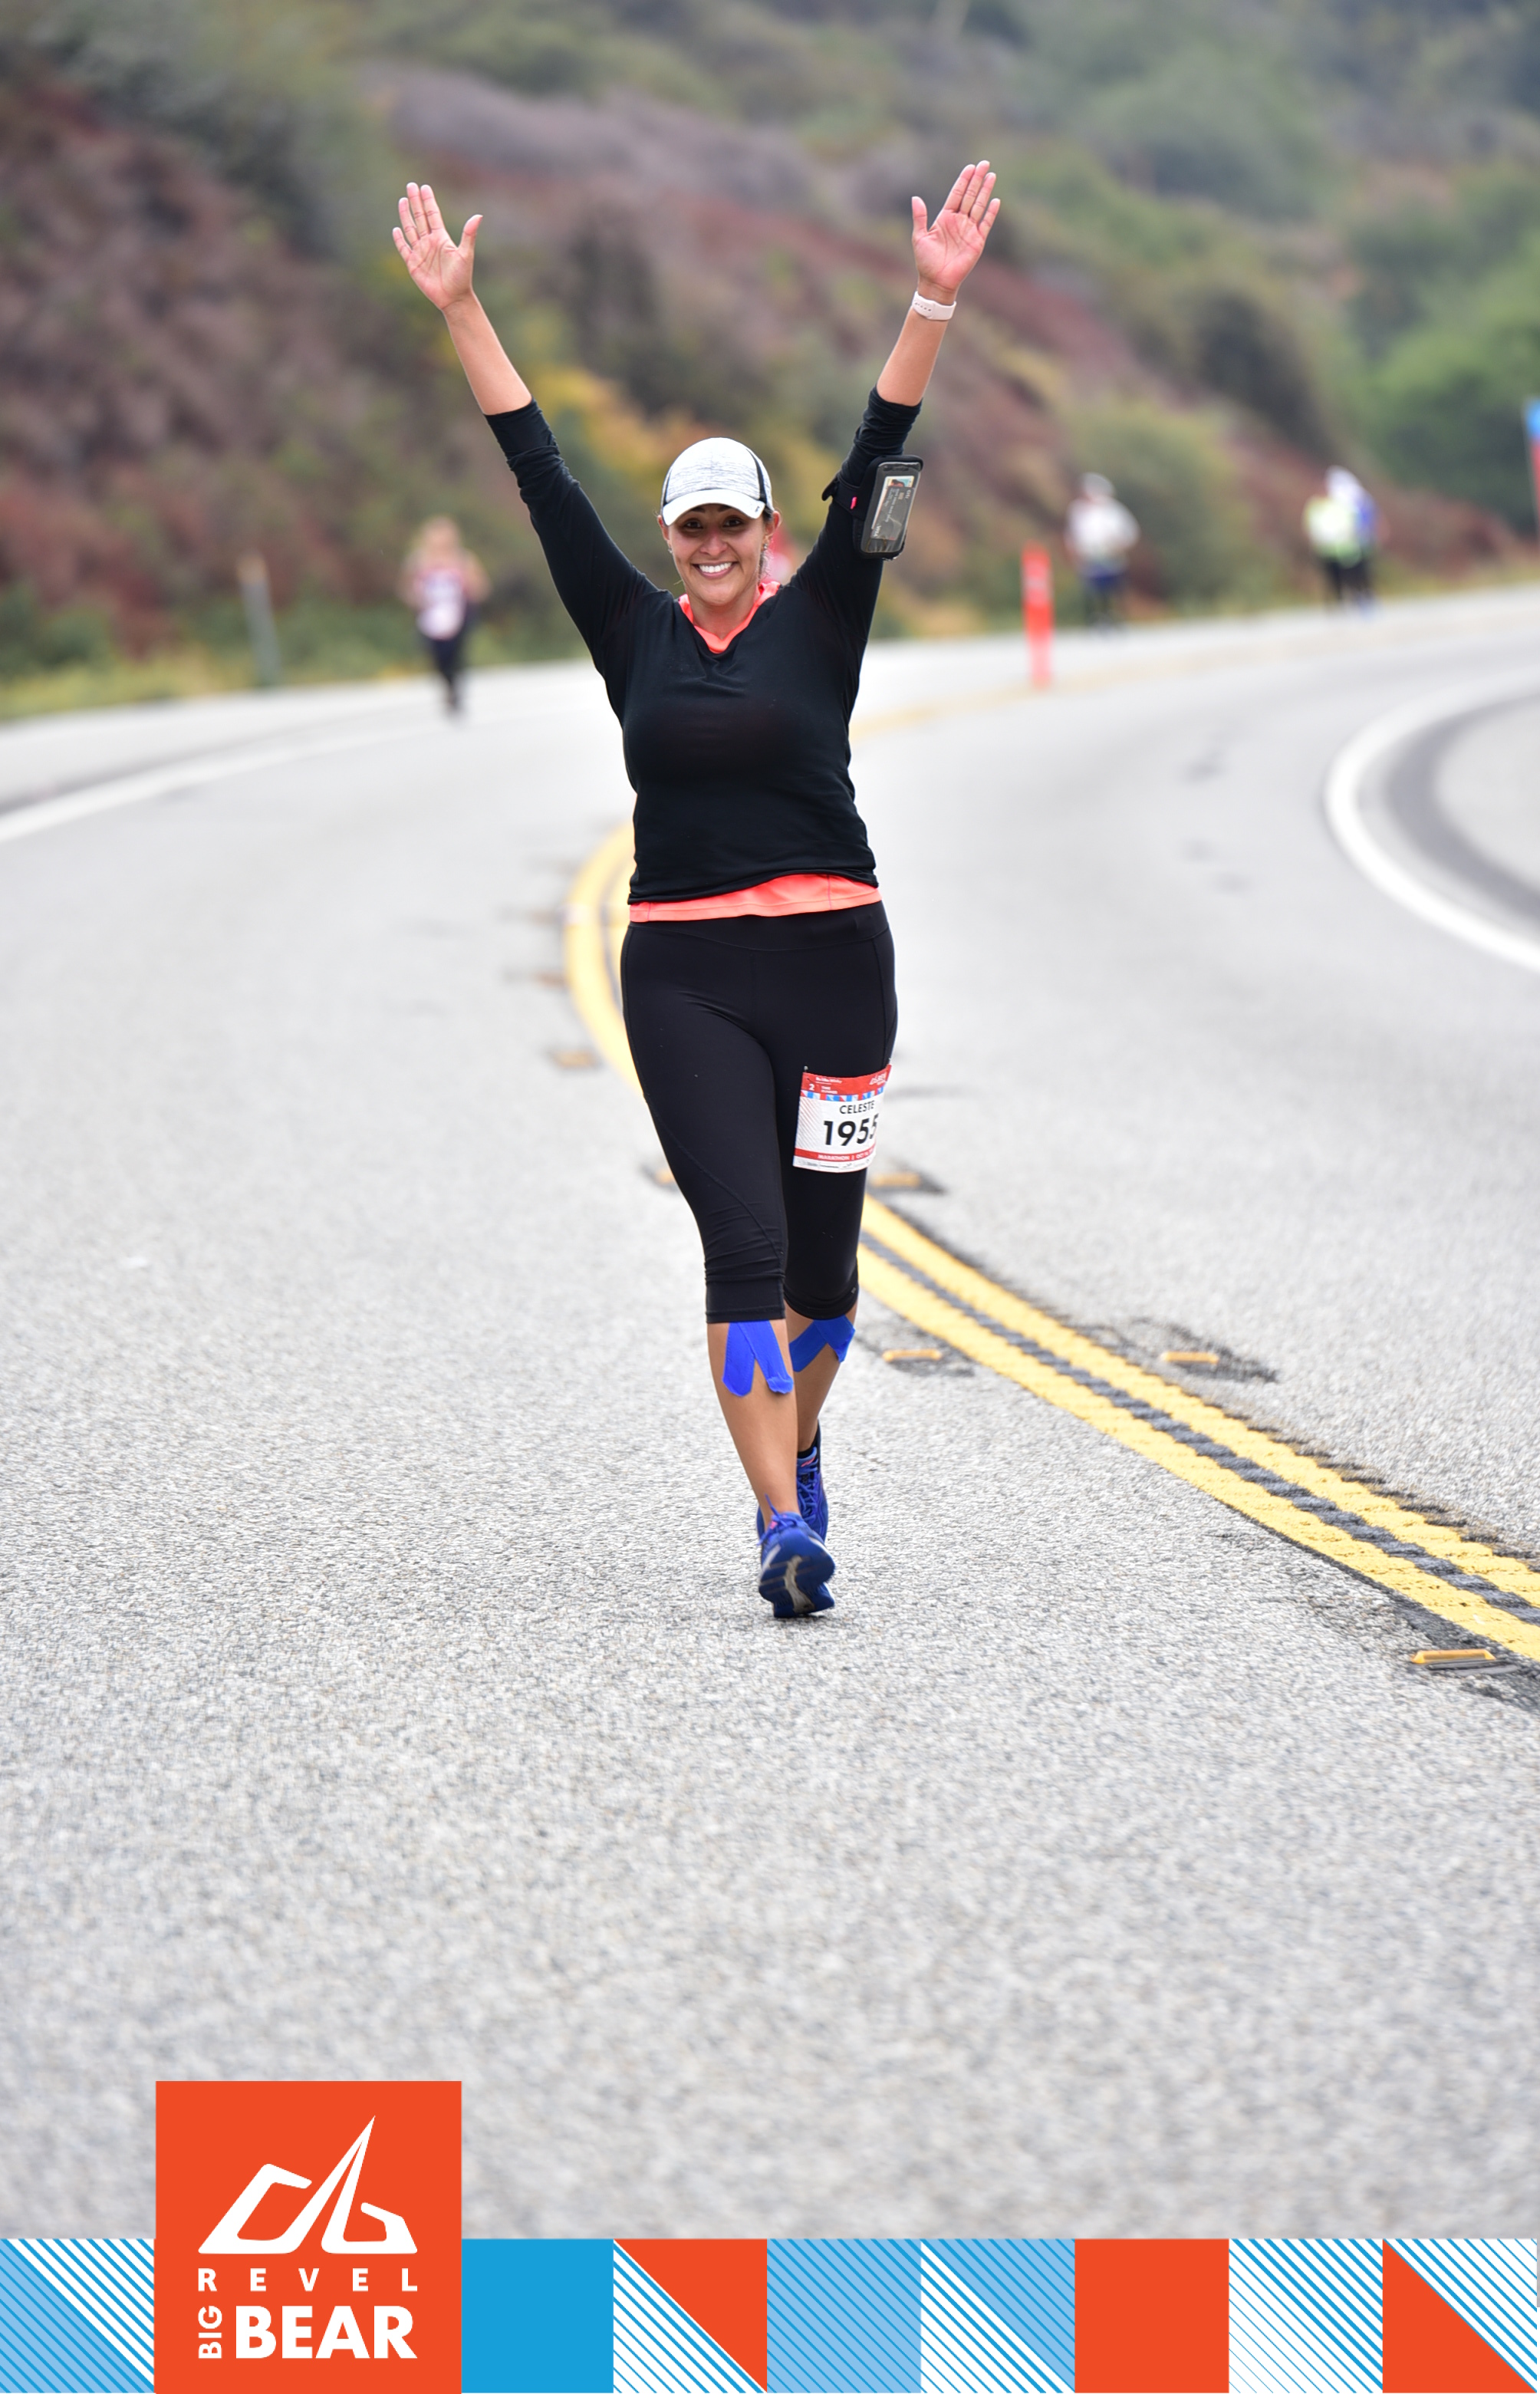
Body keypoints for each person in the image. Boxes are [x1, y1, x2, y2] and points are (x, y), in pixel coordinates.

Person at [393, 161, 999, 1617]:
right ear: (671, 539)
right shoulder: (630, 631)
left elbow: (884, 443)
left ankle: (801, 1444)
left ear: (772, 531)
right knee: (743, 1250)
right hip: (683, 979)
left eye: (736, 524)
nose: (715, 546)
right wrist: (462, 310)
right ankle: (783, 1524)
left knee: (826, 1278)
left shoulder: (829, 610)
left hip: (837, 968)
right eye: (693, 527)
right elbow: (537, 470)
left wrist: (931, 301)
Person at [399, 515, 490, 711]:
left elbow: (481, 587)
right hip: (430, 616)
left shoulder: (464, 559)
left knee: (456, 653)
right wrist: (417, 599)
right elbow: (406, 589)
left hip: (460, 614)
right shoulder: (418, 561)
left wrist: (468, 589)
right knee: (436, 655)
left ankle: (455, 684)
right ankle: (448, 683)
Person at [1065, 473, 1138, 626]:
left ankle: (1115, 616)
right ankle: (1094, 618)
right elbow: (1072, 533)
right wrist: (1074, 551)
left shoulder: (1113, 510)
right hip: (1088, 556)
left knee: (1113, 588)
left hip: (1110, 555)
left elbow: (1129, 532)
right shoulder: (1078, 510)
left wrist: (1120, 546)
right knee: (1092, 589)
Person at [1304, 469, 1375, 607]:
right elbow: (1310, 526)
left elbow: (1351, 521)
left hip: (1347, 547)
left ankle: (1361, 596)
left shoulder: (1340, 502)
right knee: (1332, 577)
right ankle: (1339, 600)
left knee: (1355, 574)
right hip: (1326, 549)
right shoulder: (1314, 505)